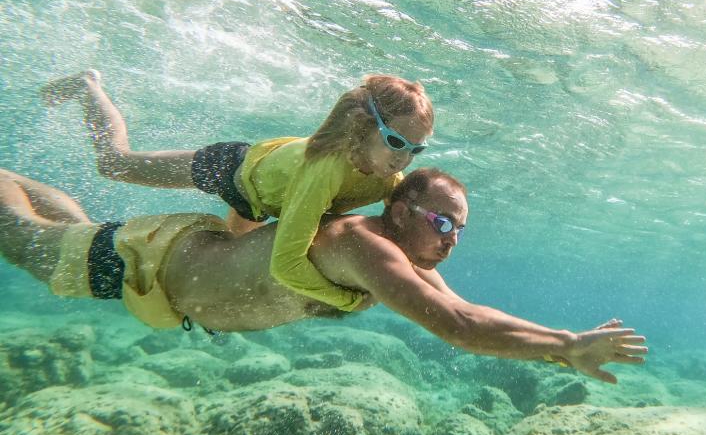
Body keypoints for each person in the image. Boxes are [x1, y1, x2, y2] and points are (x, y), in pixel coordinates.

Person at [0, 166, 647, 383]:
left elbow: (470, 309)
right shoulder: (367, 247)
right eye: (442, 223)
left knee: (63, 236)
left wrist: (564, 345)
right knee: (30, 246)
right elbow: (459, 326)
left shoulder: (401, 256)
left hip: (170, 261)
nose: (450, 241)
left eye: (460, 230)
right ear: (398, 210)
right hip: (157, 264)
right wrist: (565, 345)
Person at [41, 70, 434, 307]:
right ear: (364, 128)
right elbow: (286, 265)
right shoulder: (325, 172)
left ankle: (87, 234)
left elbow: (404, 240)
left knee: (225, 262)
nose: (405, 160)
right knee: (114, 163)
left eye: (416, 149)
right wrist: (347, 299)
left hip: (263, 198)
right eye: (397, 142)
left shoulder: (388, 177)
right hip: (231, 170)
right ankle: (88, 85)